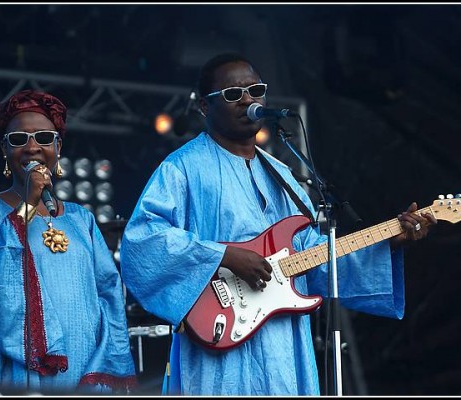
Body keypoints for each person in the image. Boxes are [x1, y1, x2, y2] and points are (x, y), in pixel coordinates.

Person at [119, 53, 437, 396]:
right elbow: (144, 241)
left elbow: (313, 257)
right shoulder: (181, 168)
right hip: (218, 334)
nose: (248, 101)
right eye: (232, 95)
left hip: (282, 342)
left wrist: (390, 241)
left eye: (255, 90)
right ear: (203, 108)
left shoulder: (283, 174)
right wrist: (223, 255)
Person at [0, 89, 137, 395]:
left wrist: (103, 370)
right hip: (18, 372)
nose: (32, 147)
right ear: (4, 150)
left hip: (85, 369)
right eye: (19, 139)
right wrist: (28, 207)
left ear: (58, 147)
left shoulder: (80, 219)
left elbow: (109, 296)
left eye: (44, 138)